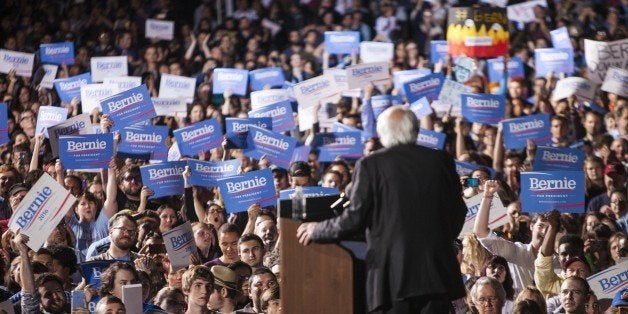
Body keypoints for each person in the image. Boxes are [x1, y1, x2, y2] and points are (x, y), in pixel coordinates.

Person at [297, 106, 467, 313]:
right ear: (415, 131)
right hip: (437, 276)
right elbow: (459, 212)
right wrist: (438, 241)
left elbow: (354, 219)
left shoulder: (371, 165)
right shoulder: (441, 161)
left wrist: (317, 229)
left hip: (392, 280)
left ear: (382, 134)